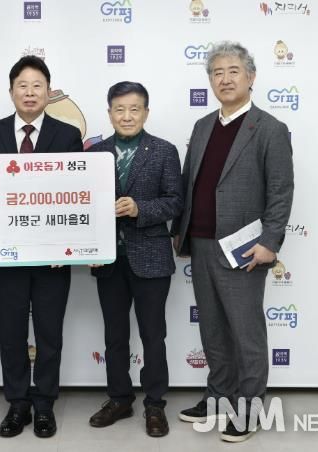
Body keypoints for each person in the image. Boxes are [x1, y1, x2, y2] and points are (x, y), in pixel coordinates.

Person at [172, 41, 294, 442]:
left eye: (233, 71)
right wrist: (180, 233)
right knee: (212, 330)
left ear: (251, 77)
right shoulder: (203, 126)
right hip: (201, 243)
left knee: (246, 332)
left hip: (245, 249)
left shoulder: (270, 129)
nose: (224, 79)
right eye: (217, 73)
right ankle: (219, 395)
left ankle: (250, 408)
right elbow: (190, 181)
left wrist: (270, 242)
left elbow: (281, 191)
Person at [0, 55, 83, 438]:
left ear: (48, 92)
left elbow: (78, 192)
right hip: (8, 253)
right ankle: (17, 403)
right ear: (11, 91)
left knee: (49, 333)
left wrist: (67, 245)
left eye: (37, 86)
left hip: (53, 256)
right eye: (23, 86)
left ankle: (45, 403)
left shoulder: (67, 135)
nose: (30, 93)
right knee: (12, 332)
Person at [86, 81, 182, 437]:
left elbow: (175, 202)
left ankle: (155, 404)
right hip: (109, 260)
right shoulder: (95, 153)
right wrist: (88, 248)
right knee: (115, 336)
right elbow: (84, 205)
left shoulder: (164, 151)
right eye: (119, 109)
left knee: (153, 335)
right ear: (109, 113)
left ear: (146, 112)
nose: (127, 116)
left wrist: (140, 208)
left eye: (134, 109)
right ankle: (120, 399)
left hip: (151, 258)